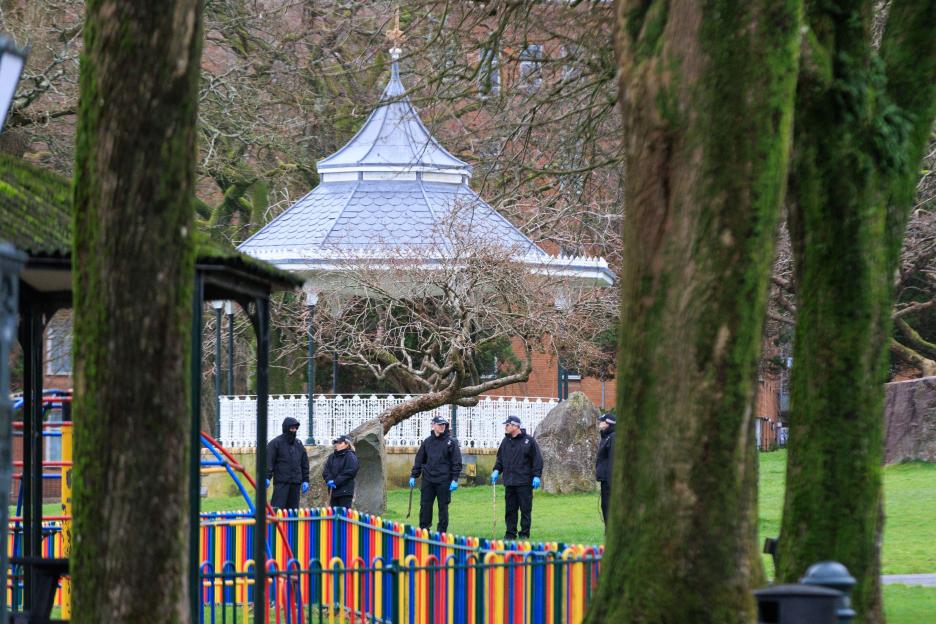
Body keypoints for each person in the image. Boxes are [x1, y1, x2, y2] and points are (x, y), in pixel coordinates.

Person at [490, 415, 543, 540]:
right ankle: (510, 533)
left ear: (515, 426)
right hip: (509, 482)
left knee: (525, 509)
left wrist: (536, 476)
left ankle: (524, 533)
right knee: (510, 510)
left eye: (507, 425)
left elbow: (537, 460)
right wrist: (496, 470)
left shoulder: (529, 441)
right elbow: (500, 459)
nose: (506, 427)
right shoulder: (505, 441)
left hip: (524, 482)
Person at [409, 415, 462, 533]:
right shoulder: (427, 442)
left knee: (443, 507)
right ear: (433, 425)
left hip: (444, 480)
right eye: (439, 424)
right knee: (425, 506)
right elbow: (419, 459)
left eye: (444, 424)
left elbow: (456, 462)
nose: (442, 427)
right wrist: (414, 475)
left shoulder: (451, 442)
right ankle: (424, 530)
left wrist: (455, 479)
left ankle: (441, 532)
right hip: (428, 480)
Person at [266, 416, 310, 509]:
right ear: (286, 428)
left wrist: (305, 480)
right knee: (278, 509)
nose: (294, 430)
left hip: (295, 483)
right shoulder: (276, 443)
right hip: (282, 482)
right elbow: (269, 461)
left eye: (295, 428)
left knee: (293, 511)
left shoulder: (299, 444)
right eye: (291, 428)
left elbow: (304, 463)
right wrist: (267, 477)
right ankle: (276, 524)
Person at [323, 434, 359, 509]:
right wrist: (329, 480)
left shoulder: (350, 456)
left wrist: (335, 482)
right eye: (336, 443)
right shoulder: (332, 456)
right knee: (333, 515)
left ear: (347, 444)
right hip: (333, 491)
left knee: (343, 515)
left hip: (345, 492)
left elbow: (350, 472)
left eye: (340, 443)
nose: (337, 445)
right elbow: (326, 471)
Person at [595, 413, 616, 524]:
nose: (600, 422)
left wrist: (610, 482)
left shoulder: (613, 437)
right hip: (604, 480)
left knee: (609, 508)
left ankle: (611, 532)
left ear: (608, 424)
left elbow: (613, 460)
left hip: (609, 481)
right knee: (605, 507)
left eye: (602, 421)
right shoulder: (606, 437)